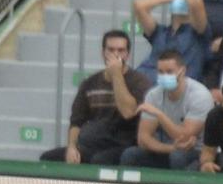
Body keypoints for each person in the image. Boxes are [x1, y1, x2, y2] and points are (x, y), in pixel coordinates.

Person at [43, 30, 150, 165]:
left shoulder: (139, 81)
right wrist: (72, 147)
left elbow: (128, 112)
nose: (116, 54)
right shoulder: (90, 83)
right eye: (111, 50)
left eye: (121, 50)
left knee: (99, 160)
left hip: (123, 144)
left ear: (127, 54)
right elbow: (77, 121)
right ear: (103, 52)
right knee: (48, 158)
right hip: (92, 142)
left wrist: (116, 75)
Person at [124, 50, 214, 170]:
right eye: (160, 72)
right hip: (167, 149)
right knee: (130, 155)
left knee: (177, 157)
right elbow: (143, 139)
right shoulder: (153, 95)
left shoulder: (200, 95)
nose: (164, 76)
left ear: (182, 71)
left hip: (195, 152)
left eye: (169, 72)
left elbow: (184, 137)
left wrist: (159, 114)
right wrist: (170, 148)